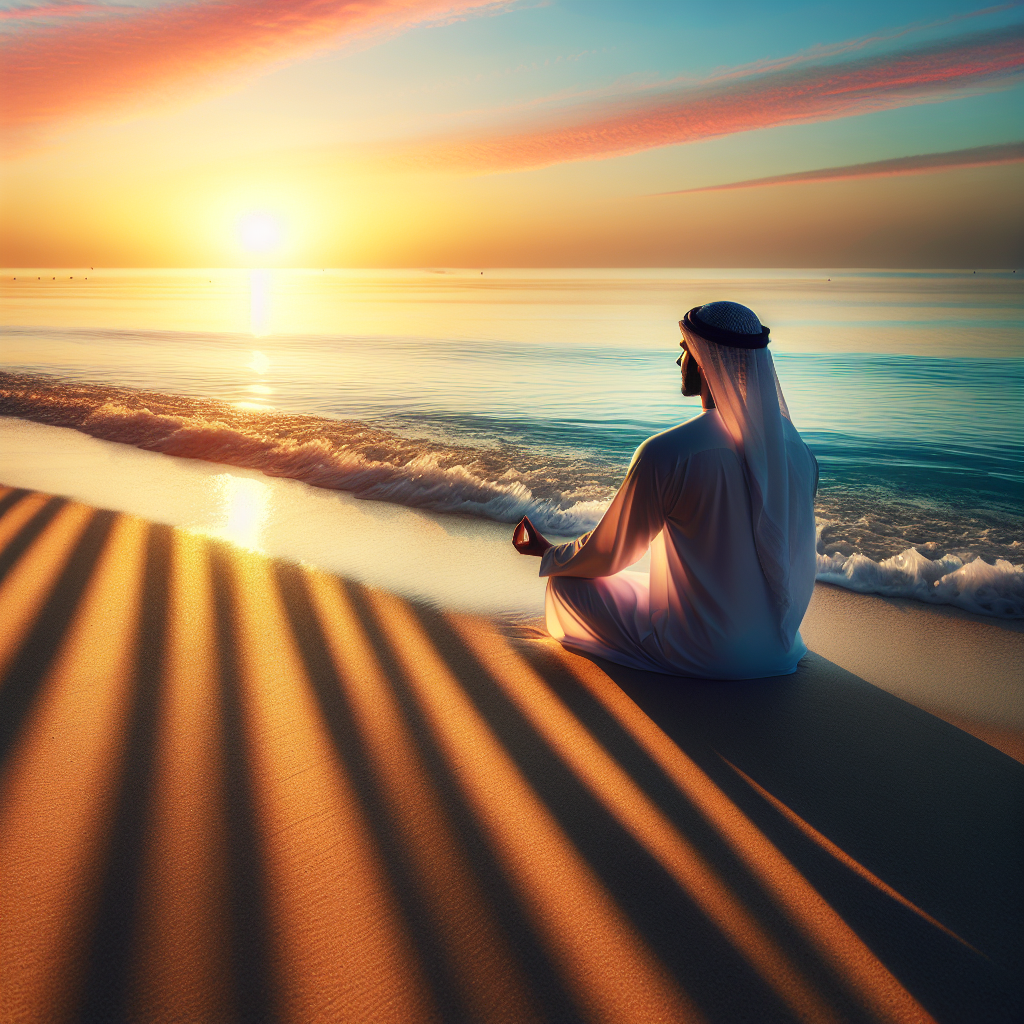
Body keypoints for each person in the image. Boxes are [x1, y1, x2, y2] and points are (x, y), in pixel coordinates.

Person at [512, 301, 818, 679]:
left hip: (703, 653)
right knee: (640, 585)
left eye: (684, 349)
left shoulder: (667, 452)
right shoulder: (796, 451)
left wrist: (551, 553)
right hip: (780, 649)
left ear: (705, 358)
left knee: (565, 585)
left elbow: (610, 554)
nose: (679, 361)